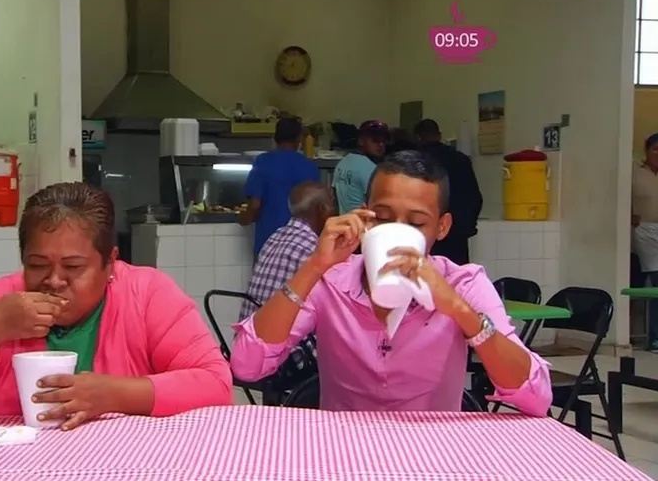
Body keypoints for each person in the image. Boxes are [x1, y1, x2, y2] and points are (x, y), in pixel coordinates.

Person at [0, 183, 233, 429]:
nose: (54, 281)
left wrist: (114, 394)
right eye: (37, 265)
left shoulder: (147, 293)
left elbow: (215, 384)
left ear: (110, 262)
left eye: (73, 268)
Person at [230, 150, 551, 416]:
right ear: (364, 216)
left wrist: (457, 309)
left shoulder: (462, 283)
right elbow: (247, 365)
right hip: (344, 457)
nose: (395, 233)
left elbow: (536, 396)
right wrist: (315, 265)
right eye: (382, 218)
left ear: (442, 227)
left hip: (435, 459)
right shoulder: (332, 279)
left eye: (415, 223)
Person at [236, 182, 335, 397]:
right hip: (286, 359)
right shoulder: (314, 249)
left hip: (249, 346)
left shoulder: (275, 237)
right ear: (323, 210)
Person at [238, 117, 320, 257]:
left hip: (268, 241)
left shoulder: (263, 162)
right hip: (301, 244)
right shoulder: (309, 166)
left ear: (275, 138)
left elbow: (255, 205)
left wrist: (243, 219)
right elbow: (316, 208)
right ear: (298, 139)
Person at [414, 119, 482, 264]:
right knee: (457, 279)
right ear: (439, 135)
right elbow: (475, 198)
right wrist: (466, 227)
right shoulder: (461, 159)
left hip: (427, 235)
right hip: (457, 235)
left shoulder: (417, 162)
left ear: (418, 137)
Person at [631, 132, 658, 351]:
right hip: (642, 233)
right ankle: (654, 336)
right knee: (652, 283)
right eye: (656, 149)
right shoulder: (635, 173)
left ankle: (655, 335)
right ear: (647, 151)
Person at [332, 120, 388, 214]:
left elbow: (334, 199)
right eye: (375, 140)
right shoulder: (372, 169)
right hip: (362, 223)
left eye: (383, 141)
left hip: (344, 222)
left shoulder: (342, 163)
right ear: (361, 141)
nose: (381, 145)